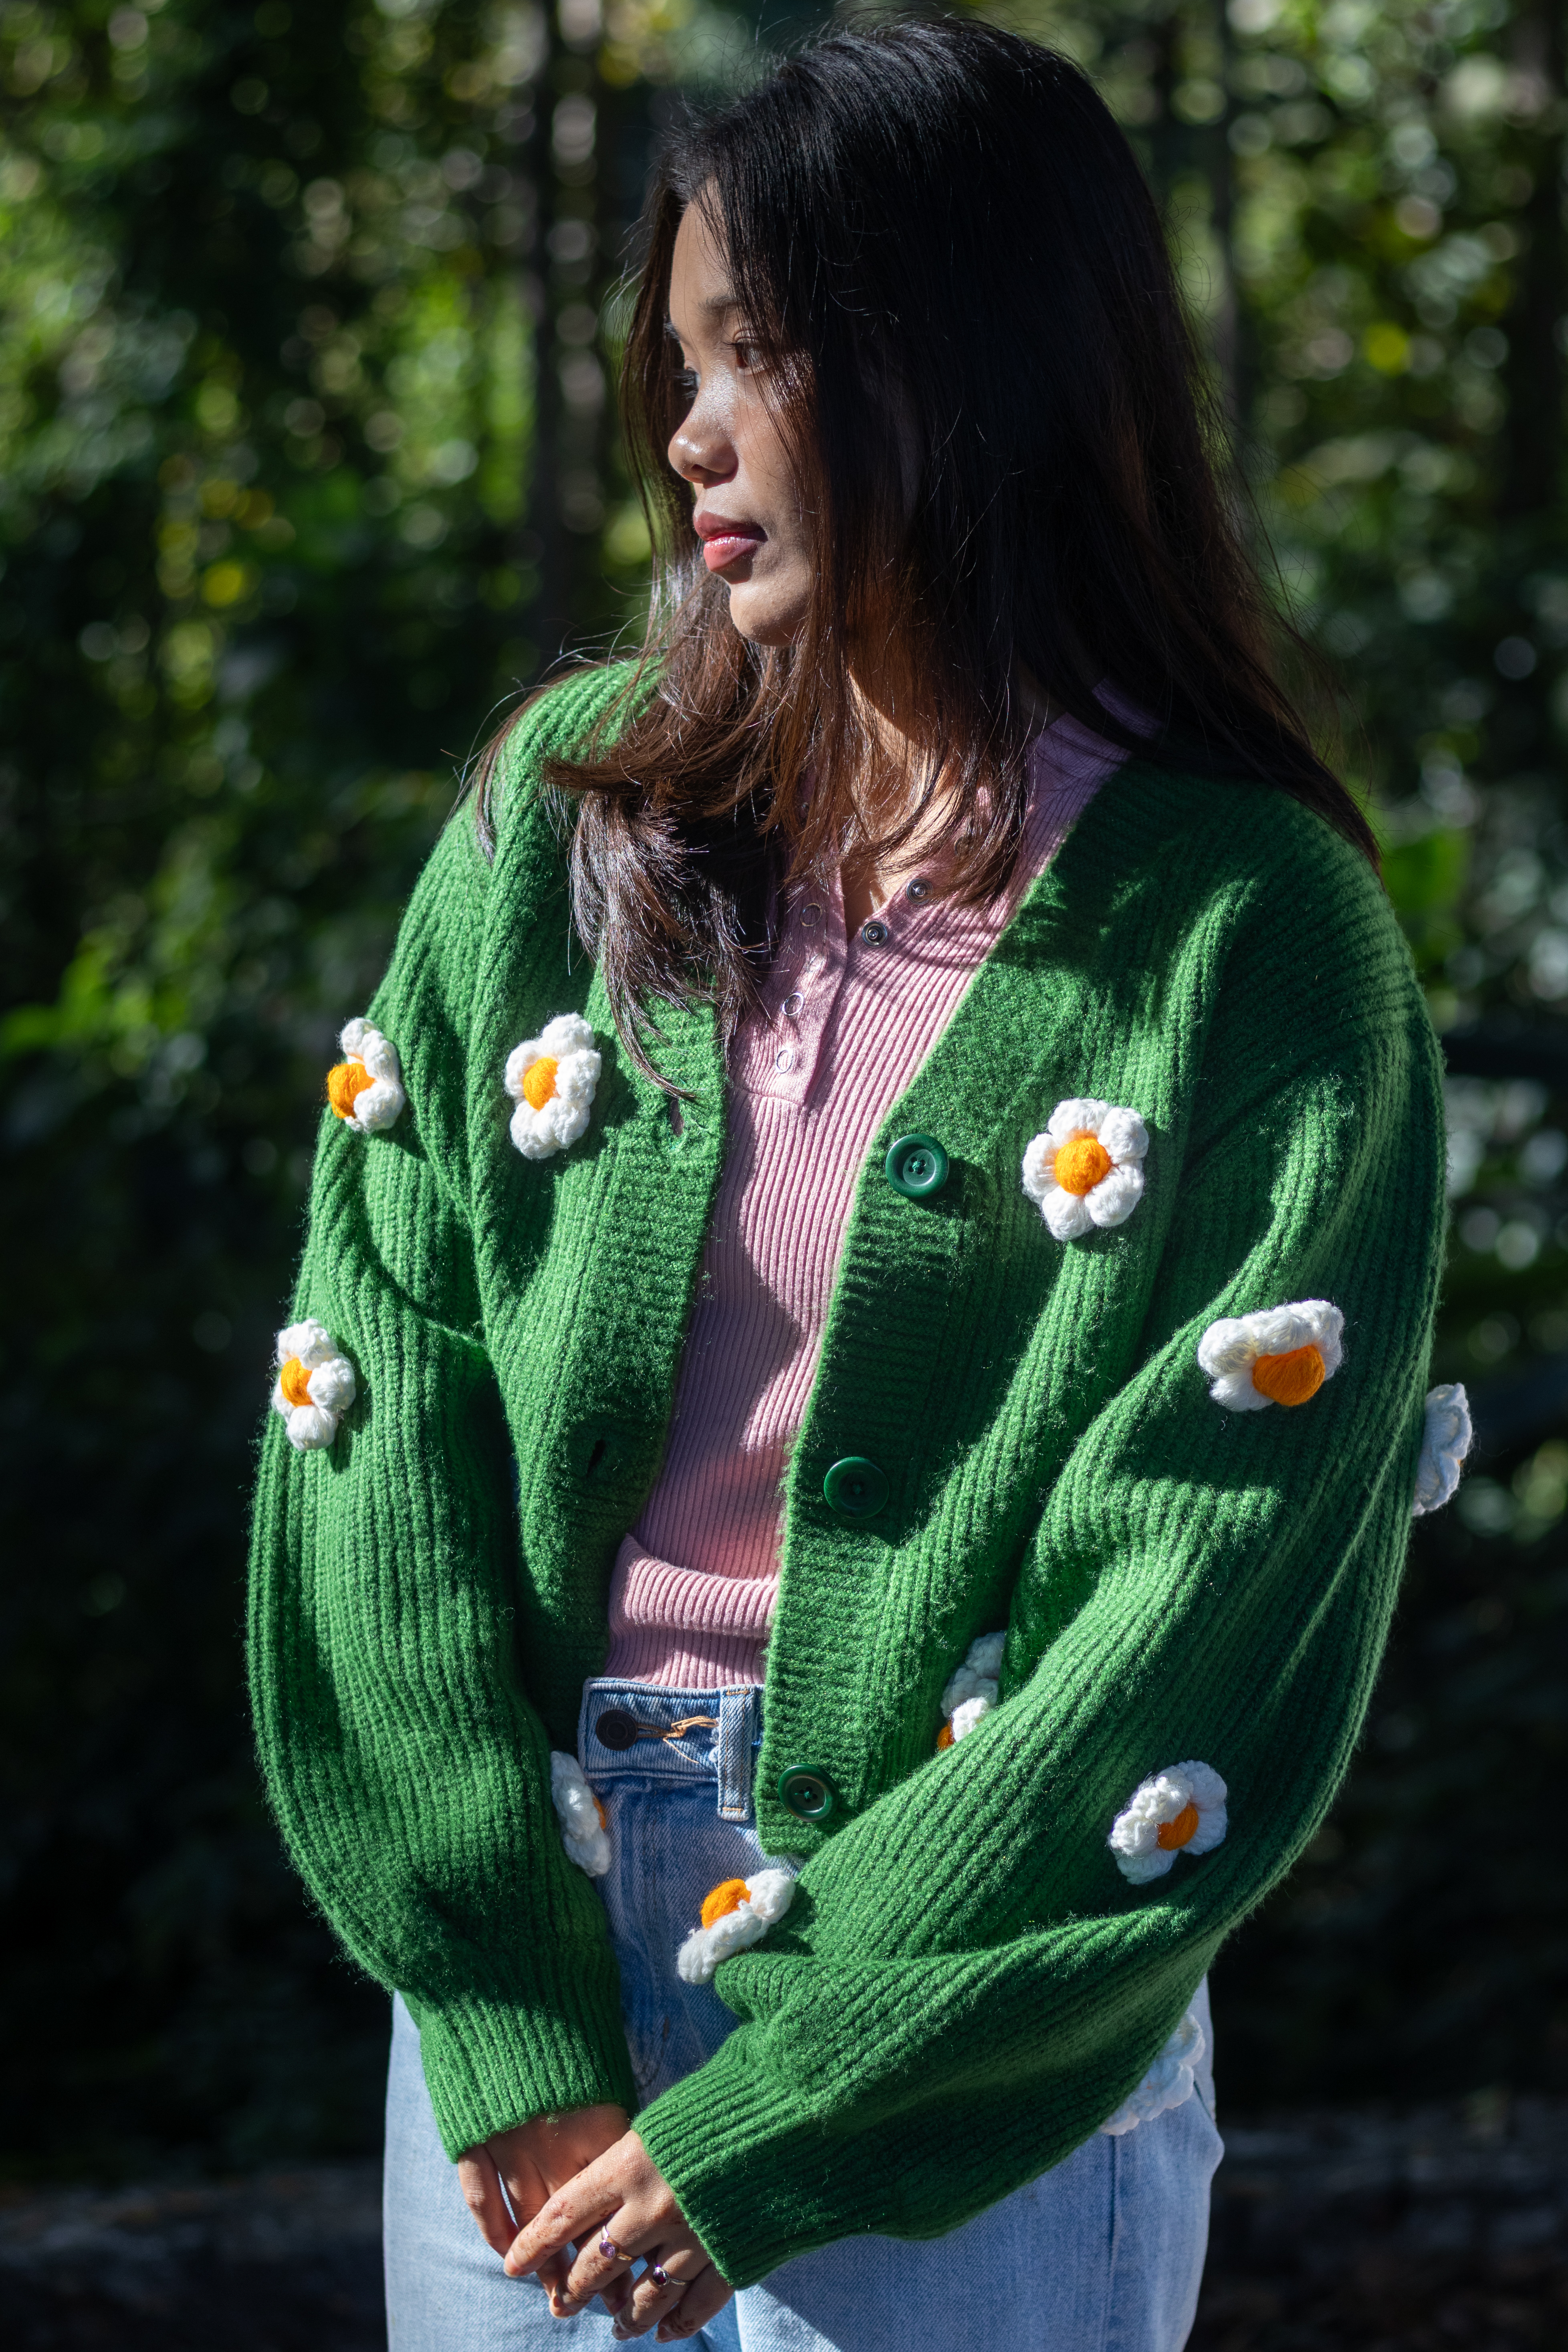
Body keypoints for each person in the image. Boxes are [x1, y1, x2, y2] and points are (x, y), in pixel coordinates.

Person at [248, 20, 1462, 2352]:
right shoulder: (568, 821)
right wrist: (493, 1998)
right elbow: (370, 1401)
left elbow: (1203, 1590)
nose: (686, 433)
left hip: (978, 2041)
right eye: (678, 358)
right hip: (530, 1994)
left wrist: (803, 2095)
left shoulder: (1253, 939)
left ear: (975, 370)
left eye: (761, 355)